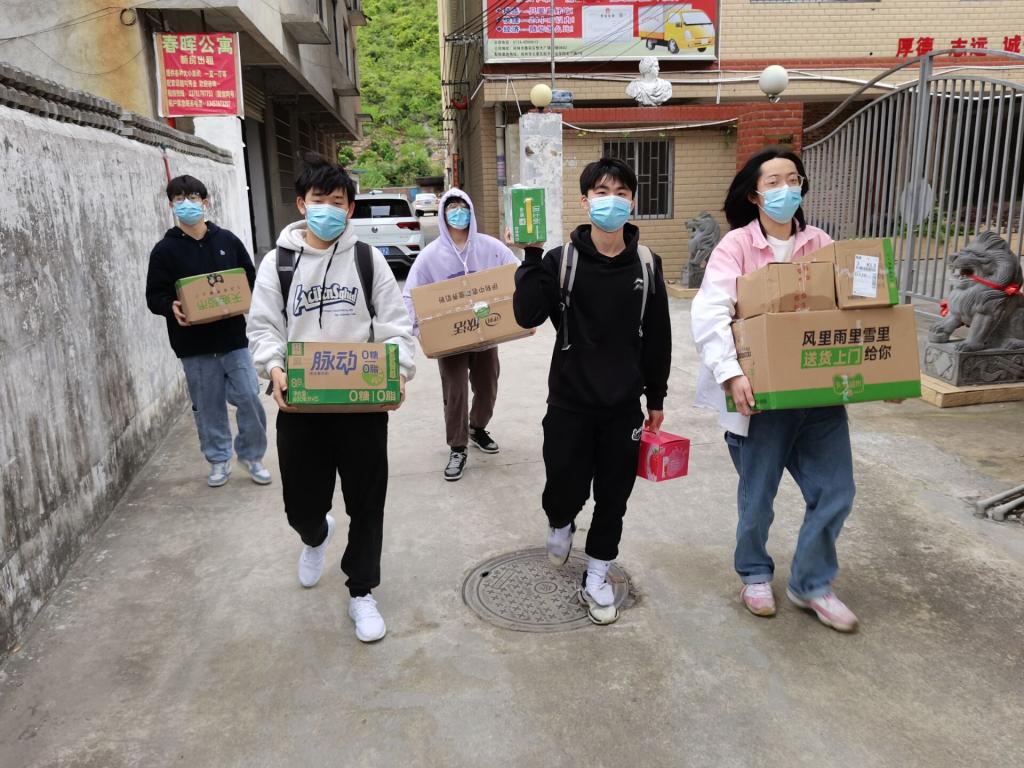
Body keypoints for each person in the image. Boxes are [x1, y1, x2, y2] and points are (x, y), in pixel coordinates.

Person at [690, 146, 860, 633]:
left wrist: (880, 374)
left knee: (836, 490)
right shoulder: (736, 246)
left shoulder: (821, 243)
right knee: (758, 496)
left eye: (793, 179)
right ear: (754, 194)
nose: (786, 189)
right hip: (759, 399)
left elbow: (853, 309)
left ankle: (812, 583)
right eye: (774, 182)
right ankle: (754, 574)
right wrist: (731, 373)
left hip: (818, 395)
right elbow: (711, 311)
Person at [247, 155, 416, 643]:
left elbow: (394, 324)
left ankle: (361, 590)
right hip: (301, 404)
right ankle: (315, 534)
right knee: (300, 505)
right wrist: (274, 368)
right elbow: (263, 326)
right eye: (319, 200)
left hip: (361, 404)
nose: (328, 209)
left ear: (350, 209)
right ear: (302, 204)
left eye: (337, 202)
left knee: (367, 501)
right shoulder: (278, 262)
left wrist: (397, 371)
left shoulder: (367, 259)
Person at [512, 157, 671, 625]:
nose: (612, 201)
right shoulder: (561, 261)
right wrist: (529, 256)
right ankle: (560, 521)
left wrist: (656, 397)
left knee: (614, 496)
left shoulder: (647, 264)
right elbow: (526, 315)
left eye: (621, 193)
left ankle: (597, 574)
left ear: (633, 201)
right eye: (602, 192)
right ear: (585, 201)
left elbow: (658, 336)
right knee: (564, 486)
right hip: (569, 403)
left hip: (623, 407)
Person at [145, 174, 271, 488]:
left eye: (192, 198)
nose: (186, 204)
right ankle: (218, 459)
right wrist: (171, 306)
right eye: (179, 199)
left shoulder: (227, 240)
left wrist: (247, 298)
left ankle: (251, 455)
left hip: (233, 339)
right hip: (193, 344)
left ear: (205, 202)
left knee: (249, 397)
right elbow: (154, 295)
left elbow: (249, 278)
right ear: (171, 205)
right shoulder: (165, 250)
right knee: (209, 407)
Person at [403, 190, 519, 481]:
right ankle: (457, 446)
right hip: (450, 339)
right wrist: (420, 331)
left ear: (471, 211)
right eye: (451, 207)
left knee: (487, 386)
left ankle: (477, 427)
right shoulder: (430, 256)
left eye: (462, 206)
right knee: (455, 392)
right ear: (443, 213)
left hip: (486, 333)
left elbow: (515, 273)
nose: (458, 212)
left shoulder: (489, 247)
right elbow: (410, 294)